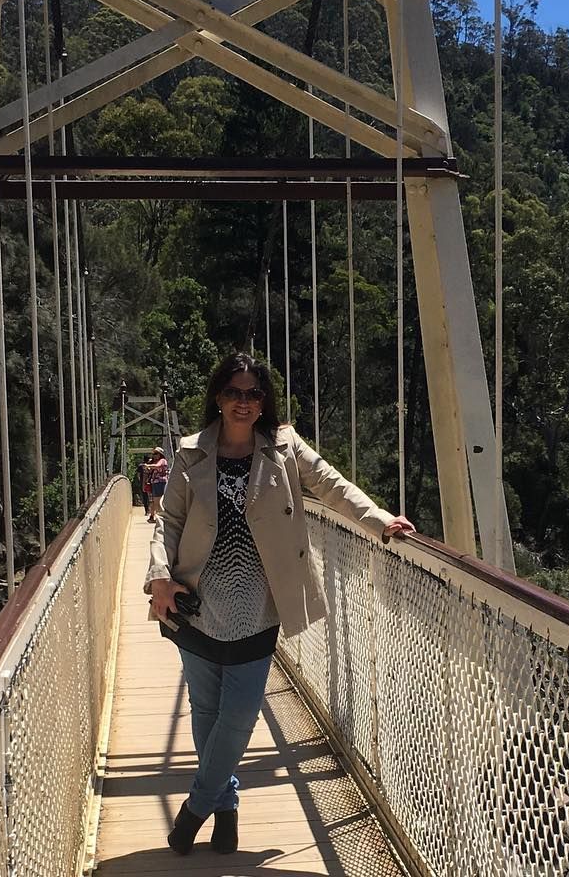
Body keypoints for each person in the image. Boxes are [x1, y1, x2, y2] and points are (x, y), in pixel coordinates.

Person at [145, 351, 414, 856]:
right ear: (218, 396)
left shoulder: (285, 446)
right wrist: (159, 577)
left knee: (239, 715)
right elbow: (170, 522)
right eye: (233, 392)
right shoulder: (191, 452)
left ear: (265, 401)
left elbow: (332, 486)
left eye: (254, 393)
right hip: (195, 599)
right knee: (206, 711)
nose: (243, 402)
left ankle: (196, 809)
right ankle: (226, 810)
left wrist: (379, 520)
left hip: (260, 603)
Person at [141, 446, 169, 522]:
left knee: (158, 501)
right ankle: (156, 517)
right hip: (155, 483)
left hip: (160, 483)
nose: (154, 455)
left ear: (160, 454)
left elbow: (157, 466)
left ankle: (161, 518)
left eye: (156, 453)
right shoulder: (155, 462)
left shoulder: (162, 460)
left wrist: (148, 465)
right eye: (153, 454)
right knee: (155, 501)